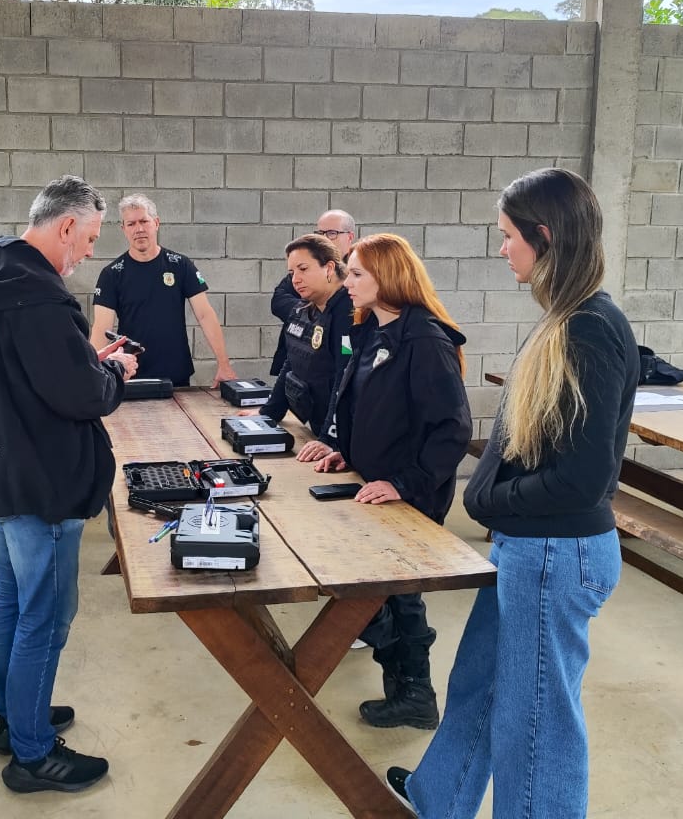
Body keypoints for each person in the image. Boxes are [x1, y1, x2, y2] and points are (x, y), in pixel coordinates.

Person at [387, 168, 640, 819]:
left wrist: (489, 502)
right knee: (480, 687)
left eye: (507, 237)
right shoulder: (564, 317)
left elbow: (584, 479)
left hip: (557, 554)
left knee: (536, 726)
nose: (502, 249)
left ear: (544, 235)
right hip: (530, 548)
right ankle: (436, 799)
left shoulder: (589, 327)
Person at [0, 175, 138, 795]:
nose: (87, 253)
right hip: (41, 481)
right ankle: (31, 755)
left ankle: (13, 717)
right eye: (87, 239)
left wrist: (88, 361)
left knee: (9, 599)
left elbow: (30, 375)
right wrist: (114, 376)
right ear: (63, 227)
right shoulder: (41, 298)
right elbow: (80, 396)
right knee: (46, 613)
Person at [306, 233, 472, 729]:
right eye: (347, 272)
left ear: (389, 277)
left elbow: (452, 429)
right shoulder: (374, 331)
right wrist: (345, 451)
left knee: (395, 594)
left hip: (409, 493)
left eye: (357, 274)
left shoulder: (424, 340)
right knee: (385, 595)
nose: (346, 281)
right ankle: (410, 689)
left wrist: (405, 482)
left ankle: (414, 692)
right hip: (373, 483)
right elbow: (368, 410)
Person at [90, 193, 237, 387]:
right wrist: (90, 373)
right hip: (131, 374)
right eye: (131, 224)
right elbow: (102, 328)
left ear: (156, 223)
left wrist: (224, 364)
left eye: (144, 221)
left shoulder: (180, 265)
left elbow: (205, 315)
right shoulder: (112, 274)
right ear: (123, 229)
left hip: (176, 375)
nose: (139, 229)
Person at [251, 234, 353, 444]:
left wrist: (329, 440)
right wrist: (269, 413)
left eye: (303, 269)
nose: (295, 279)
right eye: (291, 272)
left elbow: (345, 382)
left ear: (329, 268)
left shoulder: (348, 314)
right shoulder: (305, 309)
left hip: (341, 440)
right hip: (315, 430)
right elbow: (293, 361)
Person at [271, 209, 357, 375]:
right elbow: (278, 300)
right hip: (299, 359)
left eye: (332, 233)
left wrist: (323, 311)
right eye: (320, 232)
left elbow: (344, 366)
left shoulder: (355, 273)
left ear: (349, 237)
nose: (325, 238)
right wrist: (311, 313)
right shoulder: (302, 266)